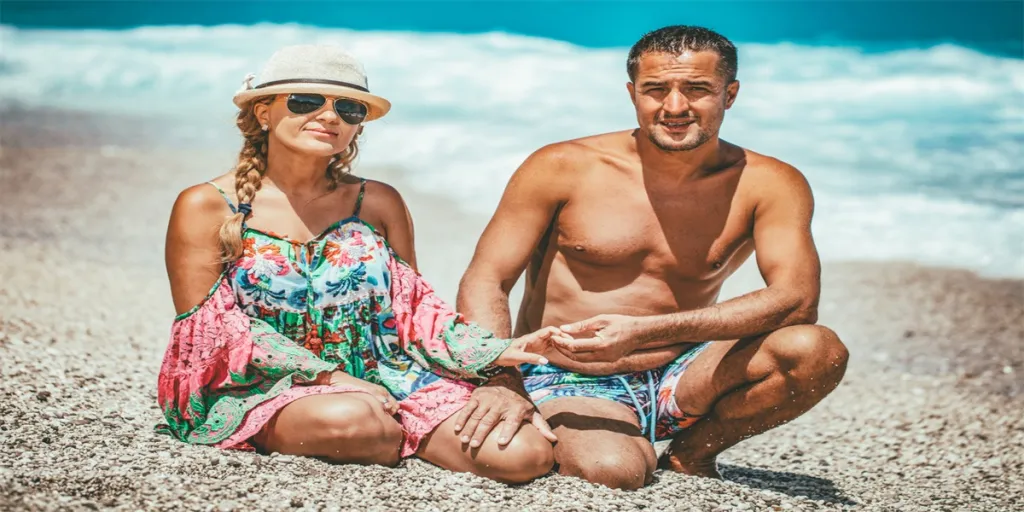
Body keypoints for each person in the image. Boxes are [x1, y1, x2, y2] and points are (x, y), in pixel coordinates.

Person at [455, 25, 849, 489]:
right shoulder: (562, 166)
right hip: (568, 373)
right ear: (632, 93)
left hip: (684, 371)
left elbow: (797, 301)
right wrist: (500, 378)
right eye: (656, 90)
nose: (675, 107)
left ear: (731, 93)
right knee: (616, 472)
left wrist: (644, 331)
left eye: (698, 89)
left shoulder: (769, 183)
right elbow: (488, 278)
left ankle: (692, 453)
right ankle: (611, 437)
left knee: (814, 350)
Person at [155, 44, 557, 484]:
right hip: (258, 382)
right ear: (263, 113)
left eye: (348, 108)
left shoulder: (378, 201)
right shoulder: (205, 205)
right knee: (359, 423)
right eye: (307, 101)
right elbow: (214, 330)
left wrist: (496, 354)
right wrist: (327, 376)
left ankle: (394, 426)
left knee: (523, 456)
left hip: (385, 374)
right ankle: (376, 427)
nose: (330, 117)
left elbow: (414, 311)